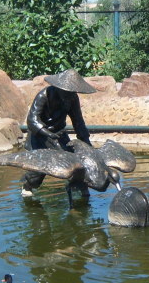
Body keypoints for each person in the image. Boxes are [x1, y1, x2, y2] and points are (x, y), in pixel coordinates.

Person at [21, 69, 96, 197]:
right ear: (59, 87)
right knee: (41, 166)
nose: (69, 94)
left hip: (59, 133)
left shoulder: (72, 98)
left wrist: (86, 142)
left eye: (72, 91)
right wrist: (46, 132)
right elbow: (32, 119)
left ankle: (79, 186)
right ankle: (28, 185)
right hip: (40, 135)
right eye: (67, 91)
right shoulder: (44, 95)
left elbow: (78, 121)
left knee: (76, 160)